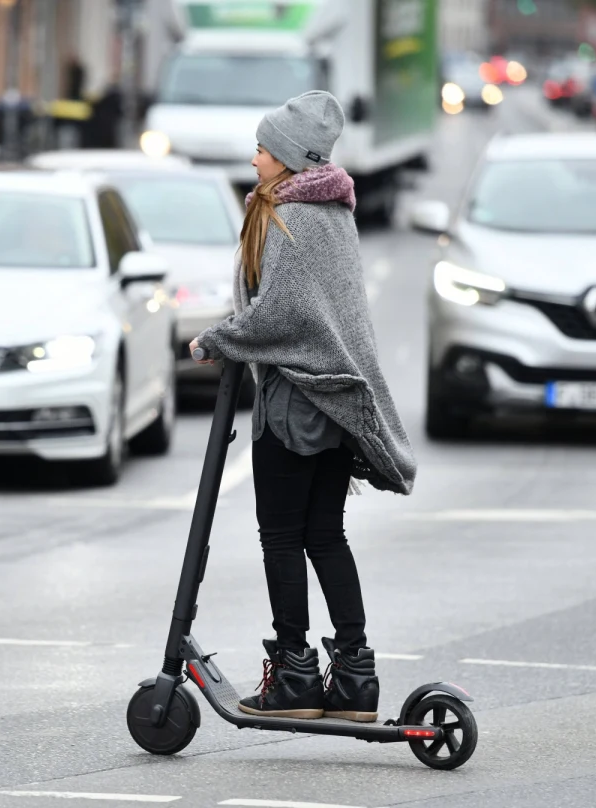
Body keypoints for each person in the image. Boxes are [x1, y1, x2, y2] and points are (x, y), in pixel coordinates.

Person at [190, 91, 417, 722]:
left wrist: (216, 341)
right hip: (335, 404)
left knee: (281, 538)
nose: (254, 155)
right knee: (324, 535)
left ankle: (293, 674)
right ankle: (354, 678)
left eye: (263, 147)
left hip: (296, 401)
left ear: (287, 157)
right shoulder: (335, 212)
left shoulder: (294, 216)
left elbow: (281, 315)